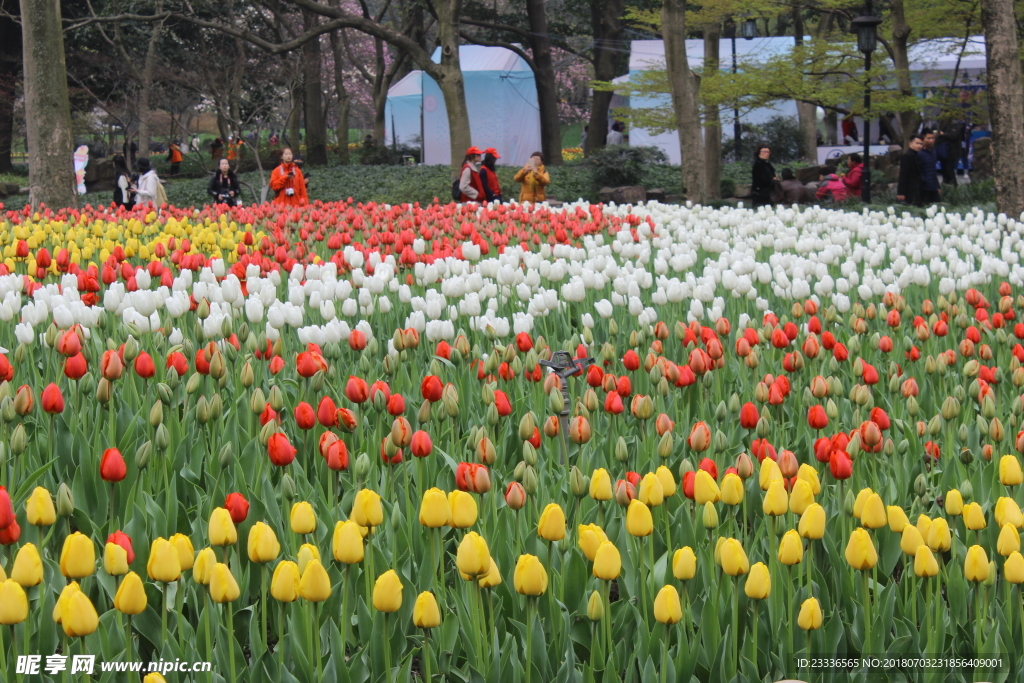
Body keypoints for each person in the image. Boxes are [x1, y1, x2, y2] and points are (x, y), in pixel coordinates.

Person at [897, 134, 923, 206]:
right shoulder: (907, 156)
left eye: (921, 144)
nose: (919, 146)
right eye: (917, 143)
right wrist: (901, 192)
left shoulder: (917, 155)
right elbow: (903, 175)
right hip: (909, 190)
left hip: (917, 189)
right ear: (910, 143)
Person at [917, 131, 941, 204]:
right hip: (923, 188)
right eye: (928, 138)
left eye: (933, 138)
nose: (931, 140)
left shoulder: (932, 153)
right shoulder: (919, 154)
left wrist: (937, 186)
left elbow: (933, 171)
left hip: (933, 187)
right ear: (923, 139)